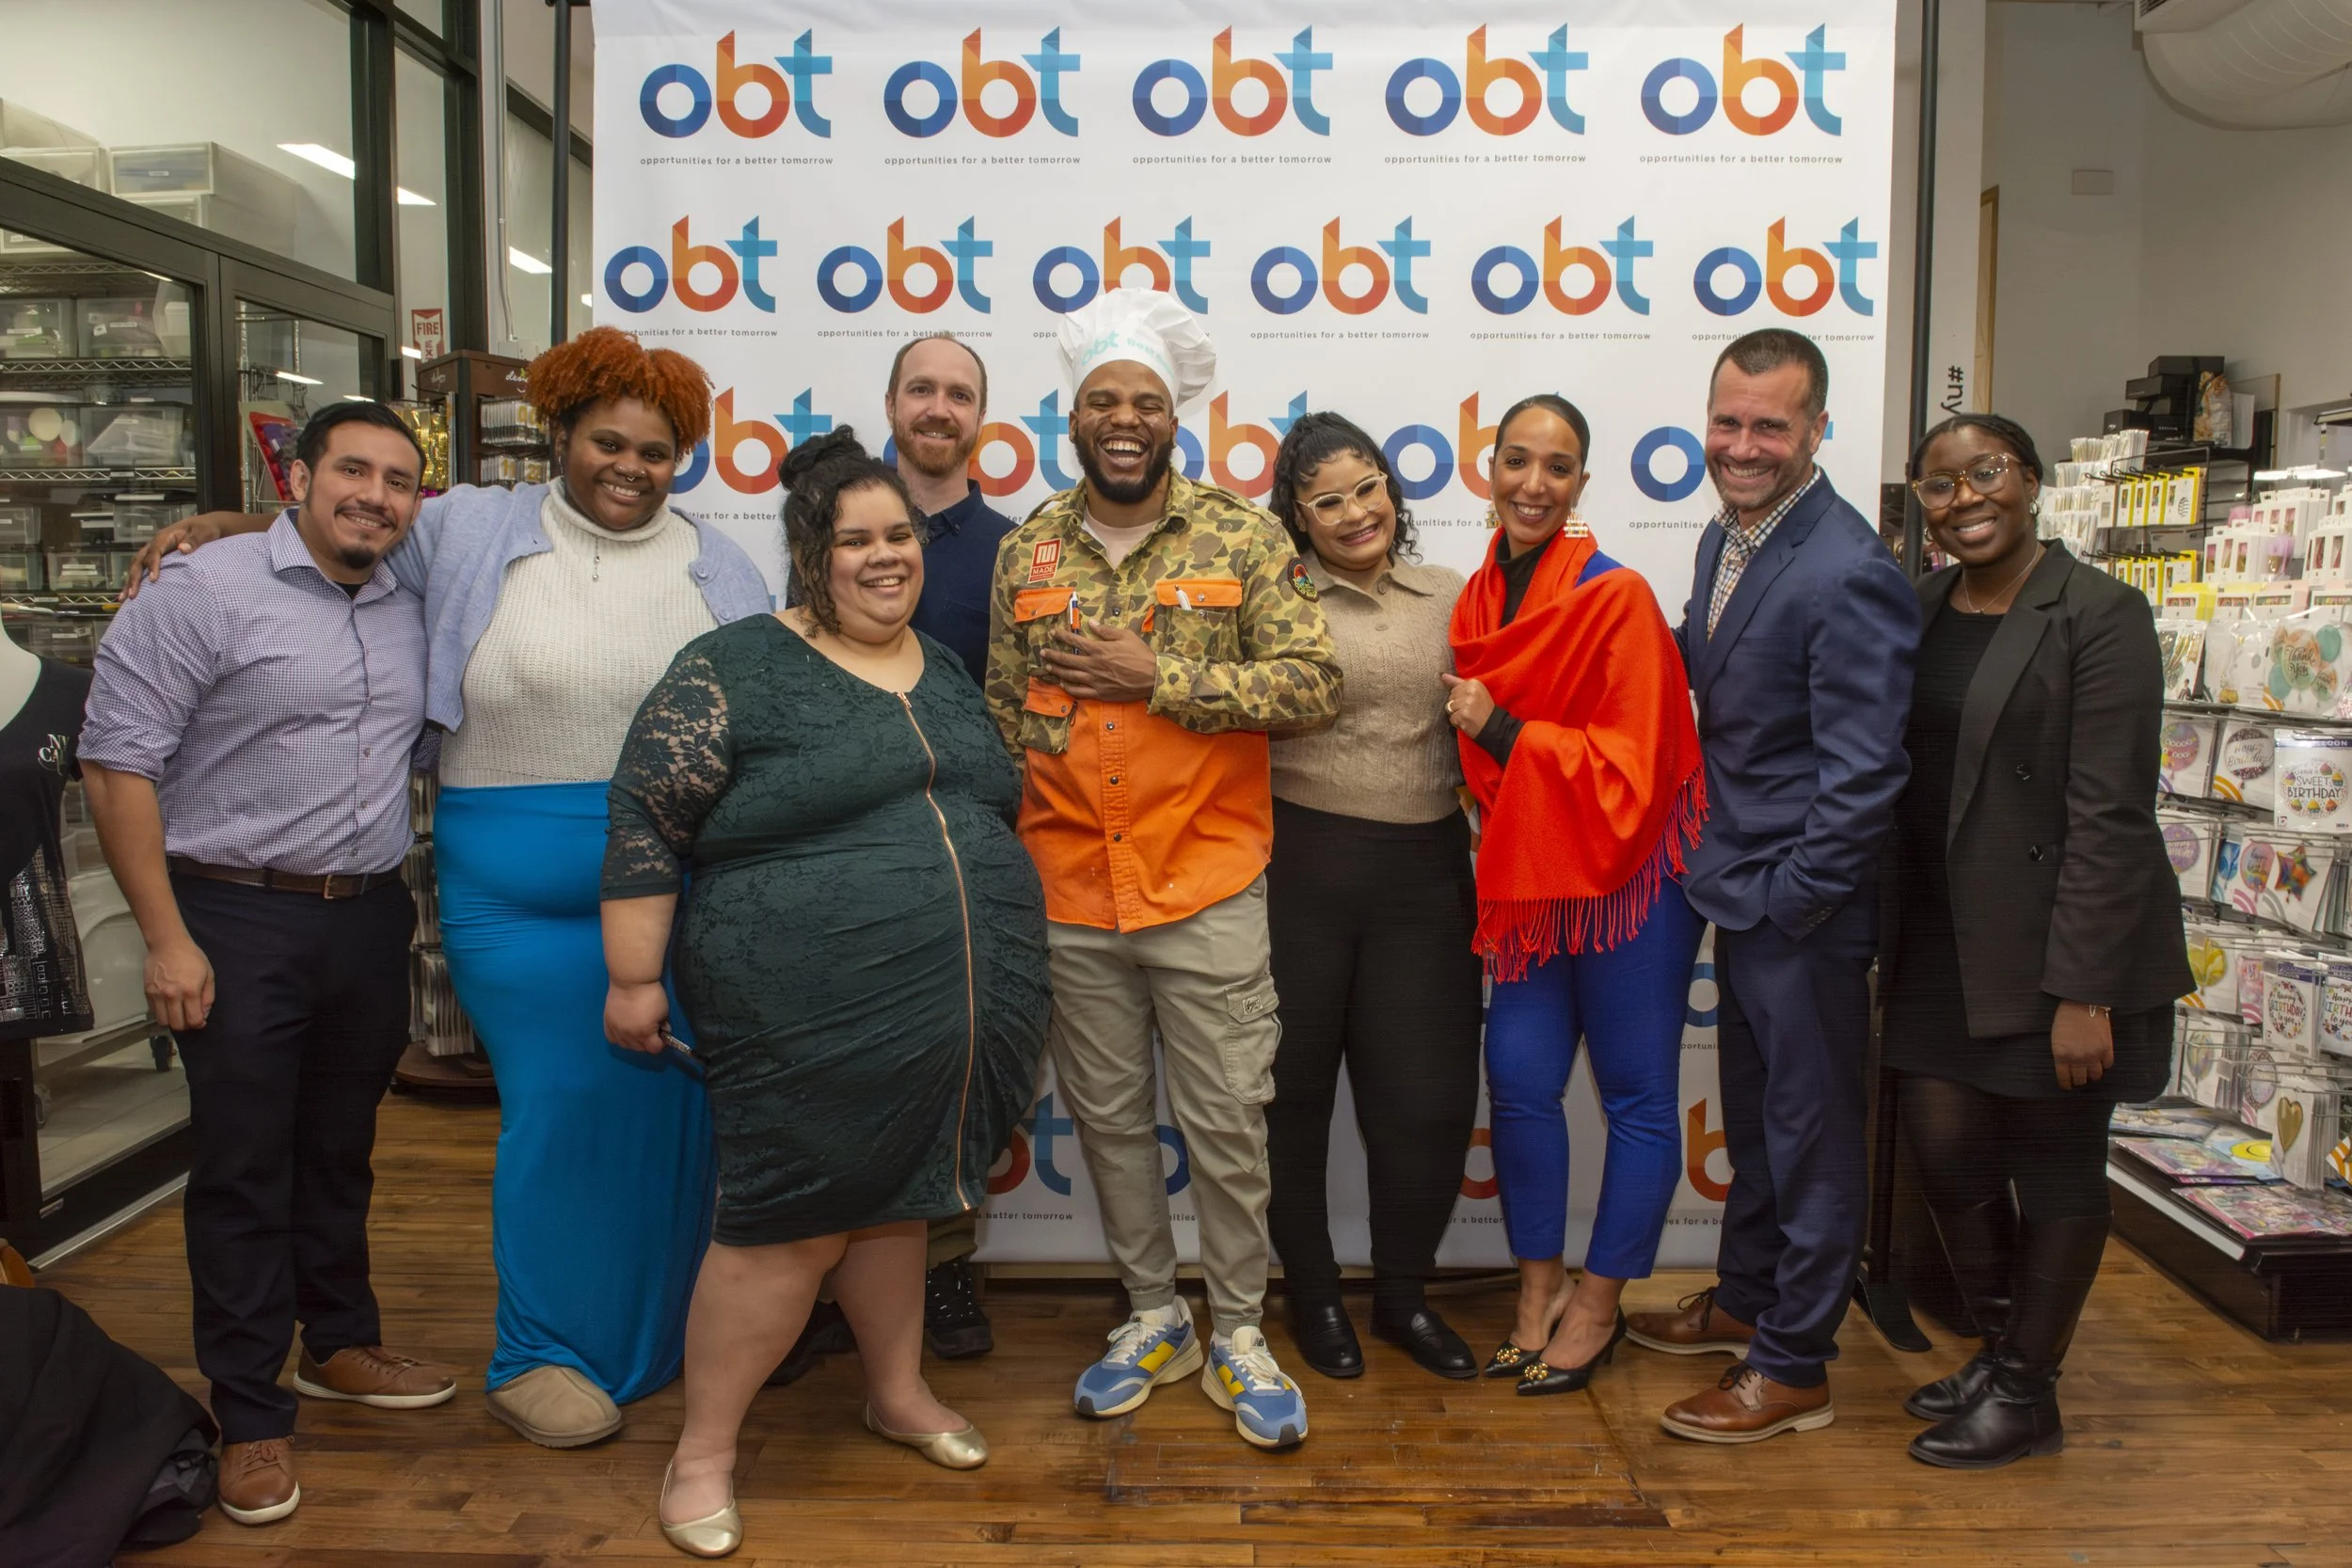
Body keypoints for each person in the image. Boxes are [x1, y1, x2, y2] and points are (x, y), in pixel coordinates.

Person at [125, 327, 773, 1449]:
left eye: (656, 450)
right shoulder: (472, 526)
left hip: (679, 892)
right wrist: (224, 527)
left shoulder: (725, 567)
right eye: (606, 440)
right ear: (560, 435)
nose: (628, 464)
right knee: (557, 1106)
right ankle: (542, 1348)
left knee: (675, 1116)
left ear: (685, 461)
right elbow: (342, 531)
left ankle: (662, 1335)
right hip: (511, 899)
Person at [603, 428, 1050, 1558]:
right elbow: (648, 813)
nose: (884, 555)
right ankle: (701, 1451)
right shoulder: (737, 663)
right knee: (788, 1222)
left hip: (944, 1010)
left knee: (900, 1197)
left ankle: (894, 1391)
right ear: (812, 556)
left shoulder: (939, 668)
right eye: (855, 539)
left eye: (898, 533)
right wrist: (633, 975)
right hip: (798, 1005)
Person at [80, 403, 457, 1526]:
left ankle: (336, 1342)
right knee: (245, 1166)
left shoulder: (410, 598)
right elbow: (115, 765)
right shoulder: (202, 589)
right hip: (231, 911)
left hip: (363, 914)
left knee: (339, 1151)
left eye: (398, 480)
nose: (375, 495)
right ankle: (248, 1413)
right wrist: (165, 937)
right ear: (300, 473)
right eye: (352, 469)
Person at [983, 289, 1341, 1449]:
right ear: (1072, 418)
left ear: (1174, 414)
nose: (1123, 419)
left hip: (1207, 882)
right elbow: (1001, 708)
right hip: (1071, 890)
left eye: (1144, 400)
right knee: (1109, 1119)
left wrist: (1161, 679)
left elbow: (1310, 684)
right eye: (1102, 401)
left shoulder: (1244, 535)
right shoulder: (1026, 545)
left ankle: (1236, 1325)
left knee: (1230, 1119)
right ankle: (1151, 1312)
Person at [1628, 328, 1919, 1444]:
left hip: (1802, 909)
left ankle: (1794, 1362)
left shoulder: (1848, 567)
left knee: (1811, 1135)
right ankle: (1746, 1297)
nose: (1742, 445)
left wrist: (1798, 899)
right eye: (1728, 421)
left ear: (1815, 430)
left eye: (1770, 426)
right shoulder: (1728, 539)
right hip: (1739, 889)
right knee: (1755, 1121)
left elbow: (1864, 774)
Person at [1883, 413, 2188, 1469]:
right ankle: (2004, 1346)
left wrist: (2086, 990)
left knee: (2055, 1167)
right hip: (1938, 936)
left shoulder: (2100, 613)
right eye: (1937, 485)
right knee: (1949, 1157)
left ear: (2029, 481)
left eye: (1984, 475)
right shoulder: (1919, 606)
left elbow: (2111, 814)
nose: (1963, 499)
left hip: (2057, 946)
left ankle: (2025, 1387)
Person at [1443, 395, 1708, 1398]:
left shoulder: (1617, 596)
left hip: (1632, 873)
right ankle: (1534, 1290)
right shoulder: (1473, 604)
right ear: (1489, 468)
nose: (1534, 484)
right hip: (1531, 874)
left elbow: (1638, 767)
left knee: (1638, 1095)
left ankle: (1598, 1302)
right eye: (1518, 460)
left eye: (1558, 467)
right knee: (1517, 1080)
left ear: (1581, 485)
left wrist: (1505, 730)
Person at [1258, 411, 1483, 1382]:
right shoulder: (1269, 600)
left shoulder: (1453, 595)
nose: (1357, 512)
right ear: (1296, 518)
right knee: (1290, 1097)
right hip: (1297, 867)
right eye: (1328, 500)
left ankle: (1402, 1298)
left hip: (1427, 874)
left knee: (1425, 1103)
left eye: (1369, 487)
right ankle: (1311, 1295)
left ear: (1394, 489)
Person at [888, 332, 1018, 1361]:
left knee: (958, 1072)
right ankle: (828, 1282)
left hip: (968, 853)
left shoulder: (1014, 550)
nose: (940, 406)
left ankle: (942, 1267)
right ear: (891, 403)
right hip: (842, 848)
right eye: (921, 387)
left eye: (959, 393)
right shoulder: (836, 527)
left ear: (981, 418)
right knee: (841, 1069)